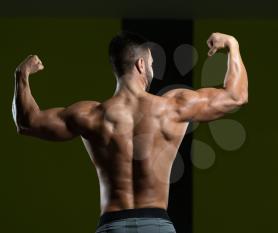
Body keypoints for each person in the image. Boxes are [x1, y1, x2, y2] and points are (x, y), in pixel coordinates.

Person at [12, 31, 248, 233]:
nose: (152, 67)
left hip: (112, 225)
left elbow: (27, 122)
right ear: (141, 64)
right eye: (152, 63)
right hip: (157, 225)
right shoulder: (172, 107)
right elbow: (237, 96)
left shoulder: (91, 114)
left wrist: (21, 76)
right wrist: (232, 44)